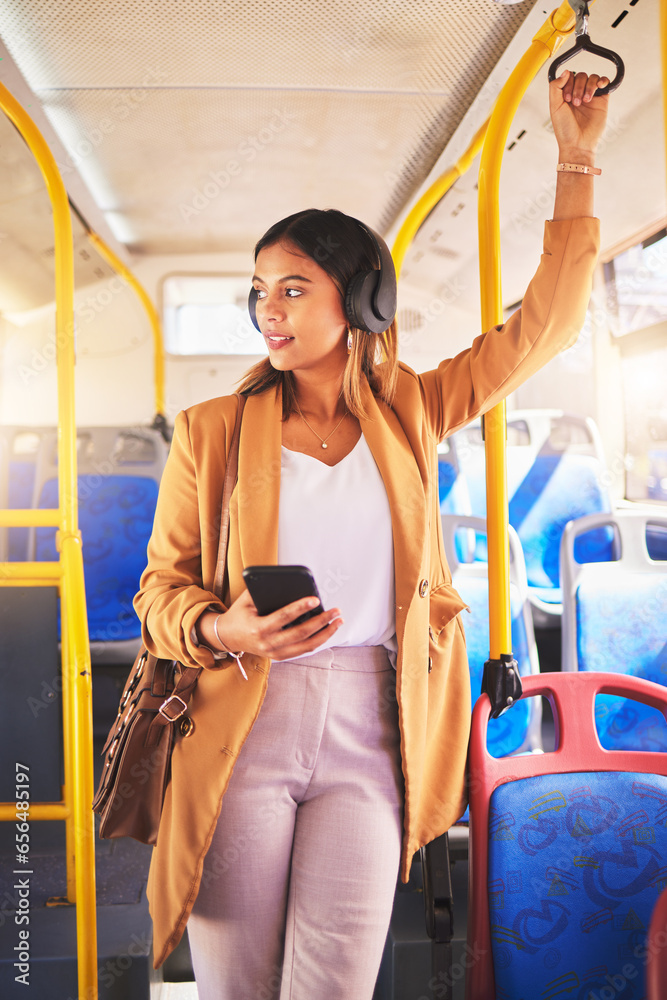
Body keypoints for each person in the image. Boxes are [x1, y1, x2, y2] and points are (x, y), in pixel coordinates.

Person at [134, 70, 609, 999]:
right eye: (258, 292)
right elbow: (158, 595)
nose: (268, 309)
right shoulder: (211, 432)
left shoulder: (414, 411)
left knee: (337, 986)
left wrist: (577, 159)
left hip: (373, 725)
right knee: (237, 987)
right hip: (241, 716)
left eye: (293, 289)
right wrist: (226, 628)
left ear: (359, 302)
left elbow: (544, 328)